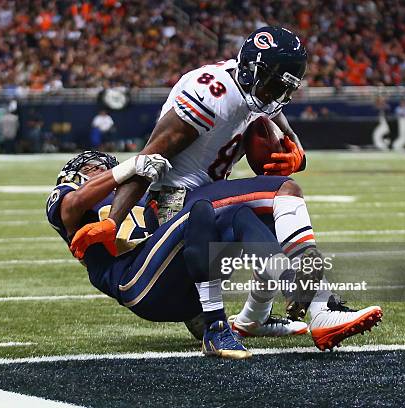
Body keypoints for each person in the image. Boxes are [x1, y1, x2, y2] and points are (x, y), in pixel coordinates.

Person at [70, 27, 383, 350]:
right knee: (284, 192)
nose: (274, 92)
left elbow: (290, 141)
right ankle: (321, 306)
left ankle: (254, 318)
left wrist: (296, 155)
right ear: (250, 68)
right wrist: (113, 220)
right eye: (272, 81)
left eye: (283, 86)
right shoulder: (211, 92)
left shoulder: (260, 90)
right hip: (173, 208)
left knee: (273, 218)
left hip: (207, 203)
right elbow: (148, 162)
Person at [47, 151, 314, 359]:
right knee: (199, 210)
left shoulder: (134, 195)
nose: (103, 170)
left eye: (106, 167)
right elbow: (72, 205)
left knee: (237, 213)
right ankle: (216, 327)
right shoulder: (66, 196)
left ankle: (289, 285)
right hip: (135, 283)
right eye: (93, 168)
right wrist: (129, 167)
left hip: (172, 280)